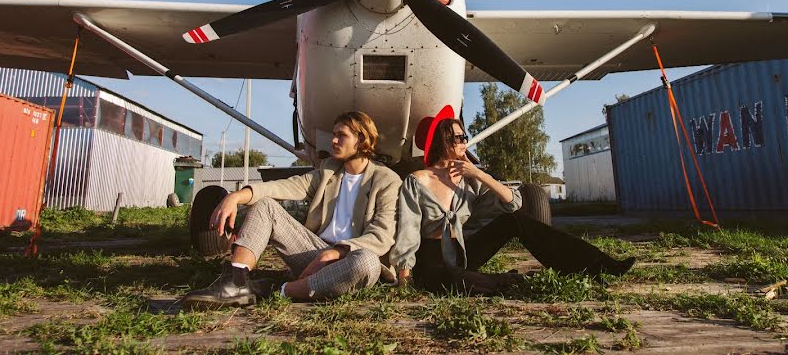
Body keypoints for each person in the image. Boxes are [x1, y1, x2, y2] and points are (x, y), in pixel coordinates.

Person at [391, 105, 634, 295]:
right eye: (458, 137)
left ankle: (596, 263)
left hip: (463, 253)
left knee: (513, 220)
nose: (465, 142)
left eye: (465, 136)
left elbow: (513, 203)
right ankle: (511, 281)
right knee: (453, 281)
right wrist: (404, 275)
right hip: (432, 261)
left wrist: (480, 174)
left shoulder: (471, 181)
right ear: (441, 141)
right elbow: (408, 231)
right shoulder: (417, 180)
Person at [182, 111, 401, 309]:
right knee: (266, 205)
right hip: (314, 254)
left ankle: (280, 290)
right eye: (333, 134)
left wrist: (337, 251)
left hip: (351, 258)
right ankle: (235, 281)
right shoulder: (328, 171)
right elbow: (288, 185)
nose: (333, 140)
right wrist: (237, 196)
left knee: (367, 262)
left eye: (341, 135)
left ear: (361, 139)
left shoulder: (387, 180)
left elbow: (381, 236)